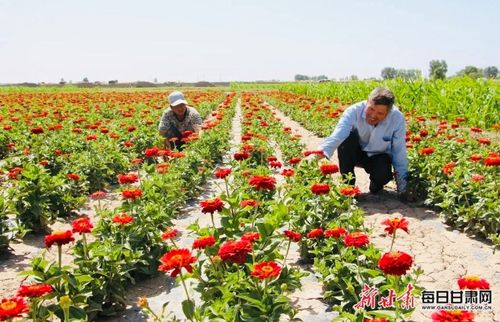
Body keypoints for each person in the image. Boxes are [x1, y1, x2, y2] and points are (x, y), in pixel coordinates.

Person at [316, 87, 414, 201]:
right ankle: (348, 187)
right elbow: (337, 136)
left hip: (378, 156)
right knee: (347, 138)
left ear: (388, 113)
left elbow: (399, 152)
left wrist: (403, 189)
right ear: (367, 102)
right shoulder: (353, 111)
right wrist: (316, 155)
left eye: (380, 113)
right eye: (371, 109)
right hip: (355, 153)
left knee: (383, 175)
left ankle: (376, 184)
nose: (373, 115)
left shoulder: (396, 119)